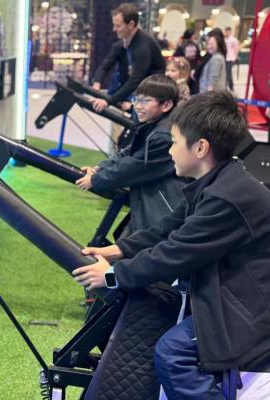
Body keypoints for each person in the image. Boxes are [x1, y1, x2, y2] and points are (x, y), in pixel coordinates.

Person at [73, 91, 270, 399]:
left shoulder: (227, 197)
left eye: (175, 142)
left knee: (173, 353)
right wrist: (116, 251)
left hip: (250, 308)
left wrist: (113, 275)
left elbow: (176, 253)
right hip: (230, 290)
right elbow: (168, 229)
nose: (170, 151)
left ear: (200, 148)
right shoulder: (214, 182)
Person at [76, 74, 185, 233]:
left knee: (132, 243)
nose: (138, 106)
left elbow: (134, 167)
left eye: (145, 101)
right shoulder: (152, 126)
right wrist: (100, 168)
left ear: (166, 105)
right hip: (153, 201)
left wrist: (96, 180)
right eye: (136, 100)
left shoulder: (163, 136)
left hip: (164, 208)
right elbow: (129, 152)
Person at [91, 3, 166, 113]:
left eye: (118, 26)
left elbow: (136, 79)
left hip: (149, 95)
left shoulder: (142, 47)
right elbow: (105, 65)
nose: (114, 29)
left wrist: (109, 101)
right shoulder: (124, 43)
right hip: (136, 91)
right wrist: (97, 83)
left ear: (131, 24)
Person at [224, 27, 240, 91]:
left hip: (230, 58)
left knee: (228, 73)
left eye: (227, 31)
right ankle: (225, 87)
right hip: (225, 58)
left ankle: (231, 87)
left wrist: (235, 57)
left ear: (230, 32)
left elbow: (237, 49)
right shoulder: (224, 40)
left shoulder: (234, 40)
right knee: (225, 73)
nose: (226, 33)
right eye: (225, 31)